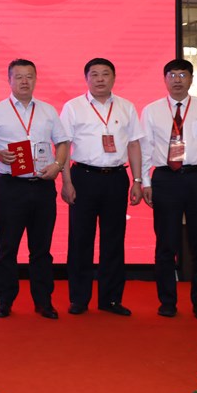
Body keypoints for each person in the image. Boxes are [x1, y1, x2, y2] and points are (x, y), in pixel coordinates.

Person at [140, 58, 197, 320]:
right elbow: (145, 148)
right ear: (164, 79)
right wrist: (145, 182)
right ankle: (167, 302)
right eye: (172, 75)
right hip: (165, 179)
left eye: (182, 75)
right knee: (166, 244)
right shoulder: (152, 110)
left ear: (191, 79)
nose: (177, 80)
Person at [0, 58, 70, 319]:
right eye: (18, 76)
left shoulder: (48, 110)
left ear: (35, 79)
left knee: (41, 248)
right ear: (9, 80)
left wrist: (57, 165)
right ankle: (4, 300)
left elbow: (62, 143)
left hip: (42, 185)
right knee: (7, 247)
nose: (24, 81)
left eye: (29, 76)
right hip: (10, 186)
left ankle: (43, 301)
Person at [59, 57, 143, 316]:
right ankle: (79, 299)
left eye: (105, 74)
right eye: (94, 74)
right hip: (83, 177)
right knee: (80, 240)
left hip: (117, 178)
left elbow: (134, 145)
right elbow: (63, 146)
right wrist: (66, 181)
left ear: (113, 78)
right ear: (86, 79)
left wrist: (137, 180)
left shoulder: (126, 107)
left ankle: (111, 299)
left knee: (114, 240)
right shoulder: (73, 107)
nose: (99, 79)